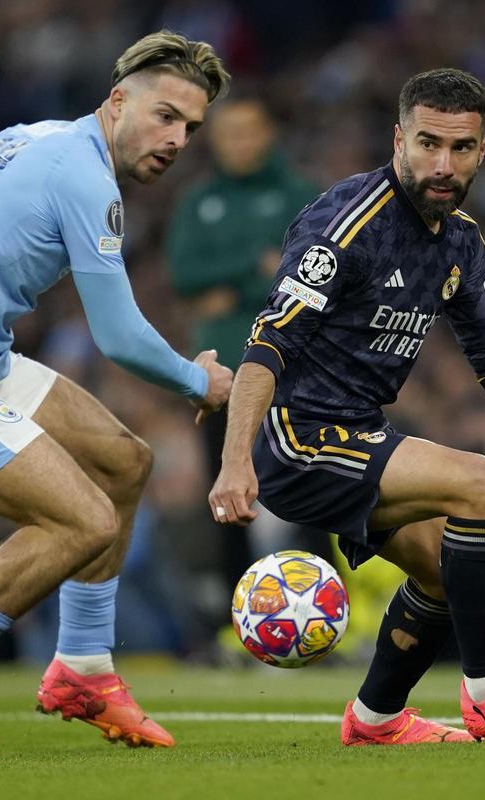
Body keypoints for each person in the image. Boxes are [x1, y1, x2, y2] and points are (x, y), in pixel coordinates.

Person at [208, 68, 485, 746]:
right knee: (483, 484)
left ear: (482, 150)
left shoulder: (460, 241)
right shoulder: (347, 224)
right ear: (398, 140)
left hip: (358, 432)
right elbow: (268, 344)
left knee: (444, 569)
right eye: (428, 144)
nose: (443, 165)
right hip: (297, 438)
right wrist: (236, 460)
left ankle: (375, 719)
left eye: (460, 148)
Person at [0, 31, 232, 756]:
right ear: (117, 100)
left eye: (189, 127)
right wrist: (199, 379)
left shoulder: (39, 136)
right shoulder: (86, 179)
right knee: (84, 520)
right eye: (165, 116)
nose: (177, 139)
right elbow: (118, 336)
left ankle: (83, 669)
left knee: (125, 463)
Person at [165, 95, 325, 601]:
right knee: (225, 494)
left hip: (296, 369)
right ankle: (234, 618)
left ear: (268, 132)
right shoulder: (198, 201)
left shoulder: (302, 196)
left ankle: (324, 601)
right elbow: (183, 274)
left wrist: (229, 291)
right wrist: (255, 269)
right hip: (222, 374)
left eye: (247, 131)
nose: (237, 143)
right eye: (227, 133)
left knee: (315, 488)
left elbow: (312, 275)